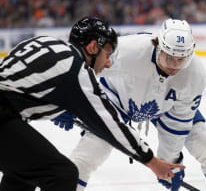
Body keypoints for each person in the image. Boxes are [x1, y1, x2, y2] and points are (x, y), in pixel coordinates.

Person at [0, 16, 183, 191]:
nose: (109, 63)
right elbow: (111, 125)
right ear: (93, 46)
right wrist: (151, 161)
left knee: (23, 174)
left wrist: (58, 109)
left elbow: (20, 88)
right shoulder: (76, 70)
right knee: (63, 175)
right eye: (108, 54)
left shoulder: (45, 42)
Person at [53, 18, 206, 191]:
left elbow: (177, 124)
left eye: (181, 60)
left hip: (166, 107)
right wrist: (66, 99)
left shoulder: (194, 74)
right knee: (87, 155)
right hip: (116, 101)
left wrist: (170, 161)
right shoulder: (129, 50)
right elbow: (84, 65)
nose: (174, 66)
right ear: (159, 46)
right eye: (169, 58)